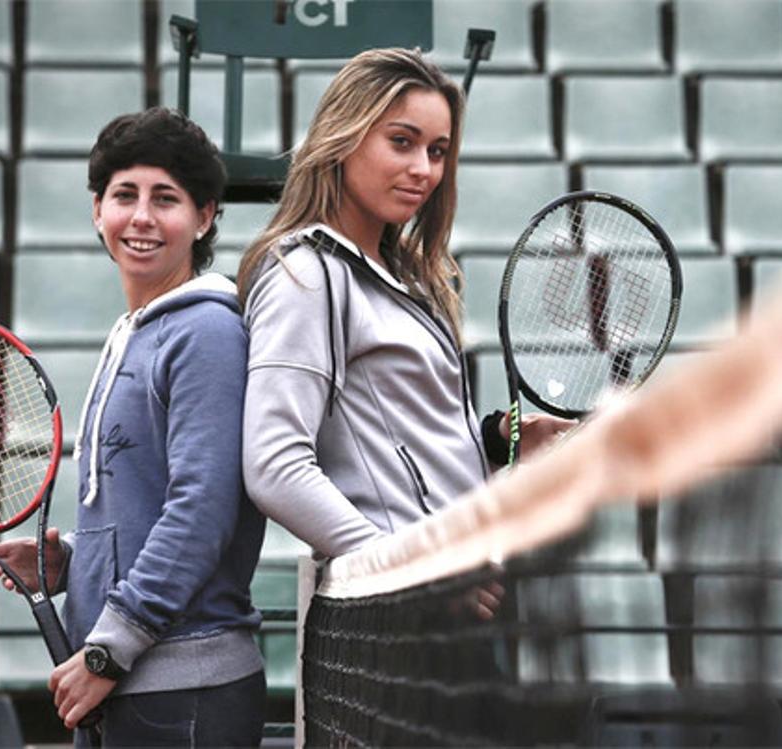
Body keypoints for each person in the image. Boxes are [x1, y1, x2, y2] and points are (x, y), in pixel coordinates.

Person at [0, 107, 266, 746]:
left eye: (166, 198)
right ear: (96, 209)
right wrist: (73, 564)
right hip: (123, 683)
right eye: (124, 195)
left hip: (181, 691)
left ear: (205, 215)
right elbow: (146, 502)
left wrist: (109, 651)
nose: (141, 217)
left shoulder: (208, 332)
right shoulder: (133, 334)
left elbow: (202, 509)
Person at [237, 48, 571, 571]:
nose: (423, 170)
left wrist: (494, 441)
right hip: (391, 619)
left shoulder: (409, 274)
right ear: (343, 137)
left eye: (438, 151)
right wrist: (407, 567)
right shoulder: (304, 275)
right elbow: (274, 467)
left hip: (451, 598)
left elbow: (389, 451)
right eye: (401, 142)